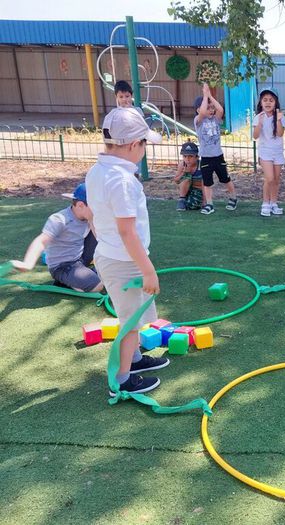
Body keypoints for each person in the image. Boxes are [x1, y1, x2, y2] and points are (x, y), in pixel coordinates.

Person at [86, 107, 169, 396]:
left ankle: (133, 361)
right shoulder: (121, 181)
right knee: (130, 322)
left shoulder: (98, 170)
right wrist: (148, 269)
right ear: (134, 145)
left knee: (134, 315)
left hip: (115, 256)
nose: (145, 150)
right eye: (145, 144)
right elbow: (126, 231)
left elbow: (97, 217)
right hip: (123, 261)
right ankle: (121, 380)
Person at [11, 182, 103, 292]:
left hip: (79, 259)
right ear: (80, 205)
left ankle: (83, 274)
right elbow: (41, 241)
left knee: (101, 233)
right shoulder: (60, 219)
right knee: (98, 286)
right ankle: (64, 281)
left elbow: (100, 237)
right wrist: (28, 263)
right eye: (95, 207)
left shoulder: (87, 217)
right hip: (63, 266)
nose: (99, 210)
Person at [194, 83, 238, 215]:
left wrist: (210, 96)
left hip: (218, 156)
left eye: (211, 108)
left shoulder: (216, 119)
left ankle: (233, 198)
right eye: (208, 108)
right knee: (207, 182)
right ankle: (209, 204)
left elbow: (221, 110)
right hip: (206, 157)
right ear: (198, 109)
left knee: (225, 178)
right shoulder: (199, 120)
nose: (211, 110)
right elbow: (202, 112)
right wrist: (204, 96)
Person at [253, 87, 285, 217]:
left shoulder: (279, 117)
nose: (268, 103)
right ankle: (265, 203)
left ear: (276, 103)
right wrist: (260, 124)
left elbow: (280, 133)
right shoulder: (258, 117)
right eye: (265, 100)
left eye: (271, 100)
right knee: (269, 178)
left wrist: (278, 119)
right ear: (261, 102)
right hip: (265, 153)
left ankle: (274, 203)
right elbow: (255, 136)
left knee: (276, 179)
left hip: (278, 152)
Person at [173, 141, 203, 211]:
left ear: (197, 157)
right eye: (185, 156)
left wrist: (205, 201)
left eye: (191, 156)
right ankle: (182, 200)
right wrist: (184, 173)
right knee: (187, 177)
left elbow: (205, 185)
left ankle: (187, 203)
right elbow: (176, 181)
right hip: (185, 191)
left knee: (191, 206)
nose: (187, 159)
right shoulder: (182, 164)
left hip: (198, 191)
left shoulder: (201, 166)